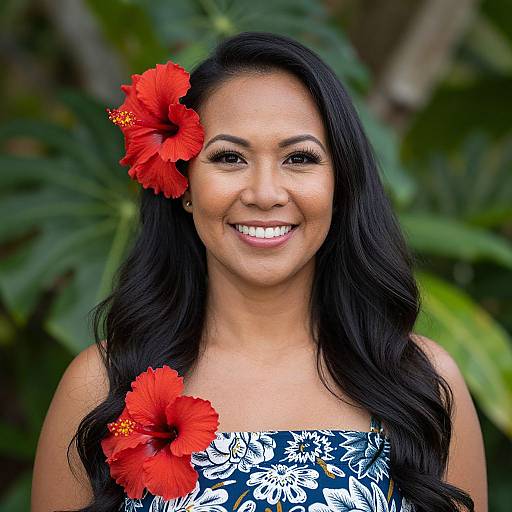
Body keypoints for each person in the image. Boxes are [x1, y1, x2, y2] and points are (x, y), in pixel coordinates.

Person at [31, 31, 487, 512]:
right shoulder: (103, 387)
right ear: (184, 185)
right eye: (229, 157)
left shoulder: (420, 384)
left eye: (299, 158)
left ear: (340, 183)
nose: (265, 193)